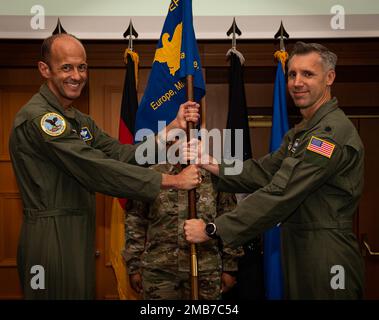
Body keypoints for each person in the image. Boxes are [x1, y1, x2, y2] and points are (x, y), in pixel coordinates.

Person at [9, 33, 201, 299]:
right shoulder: (40, 119)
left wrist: (171, 129)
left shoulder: (79, 120)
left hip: (78, 230)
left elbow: (120, 154)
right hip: (49, 235)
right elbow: (96, 168)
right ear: (45, 70)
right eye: (66, 67)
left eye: (82, 67)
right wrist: (172, 181)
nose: (76, 75)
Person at [184, 42, 365, 299]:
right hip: (299, 246)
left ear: (329, 77)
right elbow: (262, 172)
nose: (297, 82)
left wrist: (214, 229)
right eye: (292, 74)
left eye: (308, 74)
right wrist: (211, 162)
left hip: (326, 253)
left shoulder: (329, 134)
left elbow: (282, 192)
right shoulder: (303, 132)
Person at [123, 163, 243, 300]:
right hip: (160, 271)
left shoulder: (215, 175)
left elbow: (229, 219)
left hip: (206, 269)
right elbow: (135, 221)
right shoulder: (152, 175)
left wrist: (230, 267)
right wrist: (133, 266)